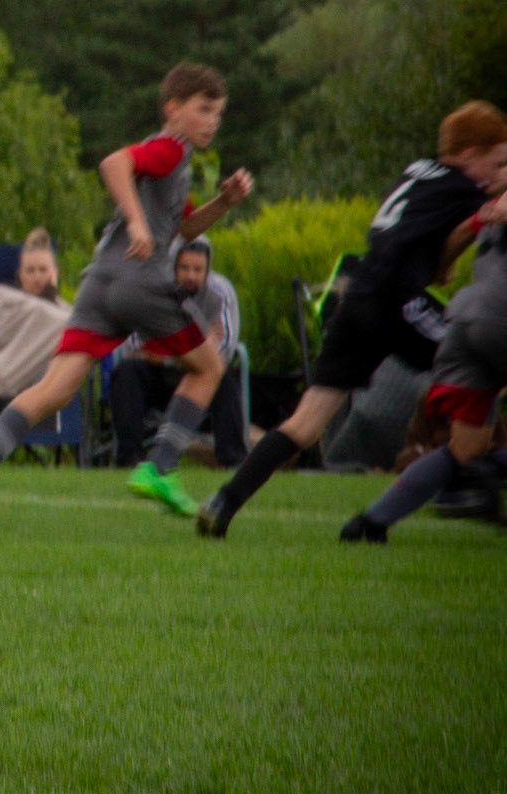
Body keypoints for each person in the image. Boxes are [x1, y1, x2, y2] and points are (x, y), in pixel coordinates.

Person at [0, 65, 253, 522]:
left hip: (99, 283)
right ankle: (160, 467)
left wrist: (224, 202)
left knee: (54, 388)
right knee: (210, 366)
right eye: (204, 109)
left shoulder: (176, 164)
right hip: (140, 281)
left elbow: (184, 228)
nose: (213, 121)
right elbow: (114, 163)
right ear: (172, 109)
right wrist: (136, 222)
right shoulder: (170, 148)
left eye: (218, 113)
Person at [197, 100, 507, 538]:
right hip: (397, 301)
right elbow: (470, 223)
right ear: (470, 154)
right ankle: (470, 483)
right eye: (497, 162)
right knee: (482, 362)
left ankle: (225, 501)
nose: (498, 173)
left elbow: (426, 232)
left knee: (304, 424)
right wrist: (448, 257)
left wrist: (439, 262)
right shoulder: (463, 186)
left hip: (357, 295)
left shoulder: (419, 172)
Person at [340, 215, 507, 542]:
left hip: (465, 319)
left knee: (466, 449)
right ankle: (481, 477)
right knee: (471, 456)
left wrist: (439, 269)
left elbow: (463, 230)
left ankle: (371, 522)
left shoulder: (492, 203)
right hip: (501, 318)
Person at [110, 236, 248, 470]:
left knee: (224, 374)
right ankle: (129, 459)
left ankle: (234, 460)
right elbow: (133, 346)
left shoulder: (220, 293)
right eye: (184, 268)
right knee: (127, 372)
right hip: (160, 380)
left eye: (198, 270)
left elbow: (224, 349)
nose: (191, 276)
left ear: (207, 270)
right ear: (172, 266)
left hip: (202, 380)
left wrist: (166, 351)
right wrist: (200, 344)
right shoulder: (150, 291)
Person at [0, 229, 71, 425]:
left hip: (43, 374)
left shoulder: (68, 313)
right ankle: (6, 382)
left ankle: (9, 382)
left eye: (43, 270)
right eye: (30, 271)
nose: (37, 277)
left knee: (66, 322)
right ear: (20, 275)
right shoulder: (2, 296)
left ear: (55, 273)